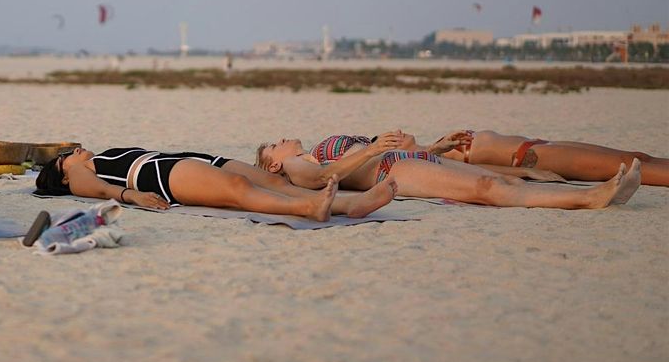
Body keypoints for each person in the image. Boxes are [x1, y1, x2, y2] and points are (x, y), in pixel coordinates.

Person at [256, 132, 642, 210]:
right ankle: (589, 197)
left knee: (502, 181)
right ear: (273, 162)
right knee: (489, 189)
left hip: (410, 161)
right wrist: (374, 148)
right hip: (394, 171)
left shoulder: (310, 151)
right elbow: (326, 178)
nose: (283, 138)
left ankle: (605, 190)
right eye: (275, 142)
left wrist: (433, 149)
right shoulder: (294, 167)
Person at [35, 146, 401, 223]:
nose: (75, 149)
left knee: (273, 181)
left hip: (184, 159)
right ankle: (307, 207)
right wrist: (130, 195)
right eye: (65, 154)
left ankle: (349, 205)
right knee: (239, 190)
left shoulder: (91, 161)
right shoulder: (80, 175)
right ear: (62, 173)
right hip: (158, 175)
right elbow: (96, 191)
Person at [416, 129, 669, 187]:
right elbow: (480, 168)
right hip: (536, 157)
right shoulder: (432, 159)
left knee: (637, 156)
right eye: (392, 137)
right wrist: (528, 173)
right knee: (631, 165)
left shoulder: (439, 145)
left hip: (543, 145)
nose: (398, 132)